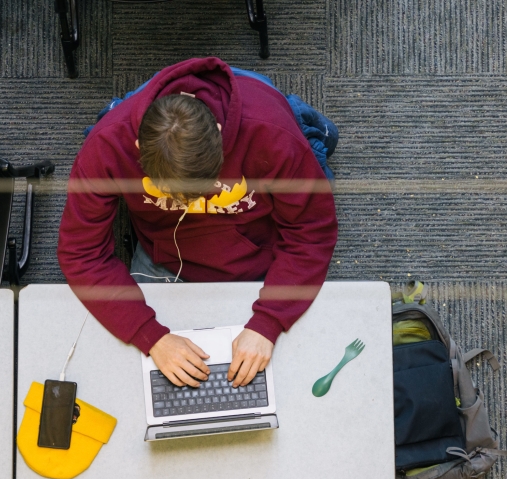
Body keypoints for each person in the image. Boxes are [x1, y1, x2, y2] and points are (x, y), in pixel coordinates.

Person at [58, 57, 338, 391]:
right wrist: (150, 336)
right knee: (131, 385)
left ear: (219, 136)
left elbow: (311, 233)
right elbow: (81, 252)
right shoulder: (107, 145)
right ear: (137, 148)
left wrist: (269, 321)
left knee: (294, 379)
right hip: (162, 259)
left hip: (261, 257)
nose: (189, 208)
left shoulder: (272, 133)